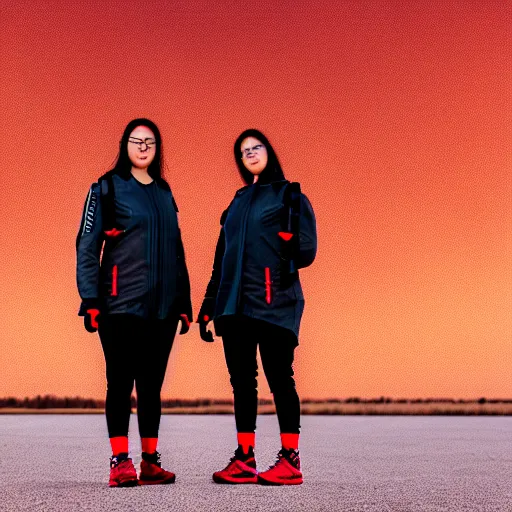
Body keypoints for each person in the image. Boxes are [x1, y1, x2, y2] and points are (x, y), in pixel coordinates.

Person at [76, 118, 192, 487]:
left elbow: (176, 249)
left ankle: (150, 462)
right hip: (119, 303)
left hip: (163, 308)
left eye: (150, 142)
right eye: (136, 140)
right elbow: (86, 245)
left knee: (152, 385)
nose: (143, 147)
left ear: (157, 149)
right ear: (124, 144)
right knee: (120, 382)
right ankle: (120, 461)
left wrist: (184, 300)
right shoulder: (106, 188)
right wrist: (90, 297)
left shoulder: (163, 191)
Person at [197, 129, 317, 485]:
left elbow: (308, 251)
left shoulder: (290, 196)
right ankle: (245, 458)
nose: (250, 154)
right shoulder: (235, 203)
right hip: (233, 305)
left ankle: (290, 460)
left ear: (269, 152)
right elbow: (221, 258)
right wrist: (208, 306)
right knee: (242, 383)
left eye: (256, 147)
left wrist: (288, 243)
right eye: (243, 151)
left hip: (275, 300)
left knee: (280, 377)